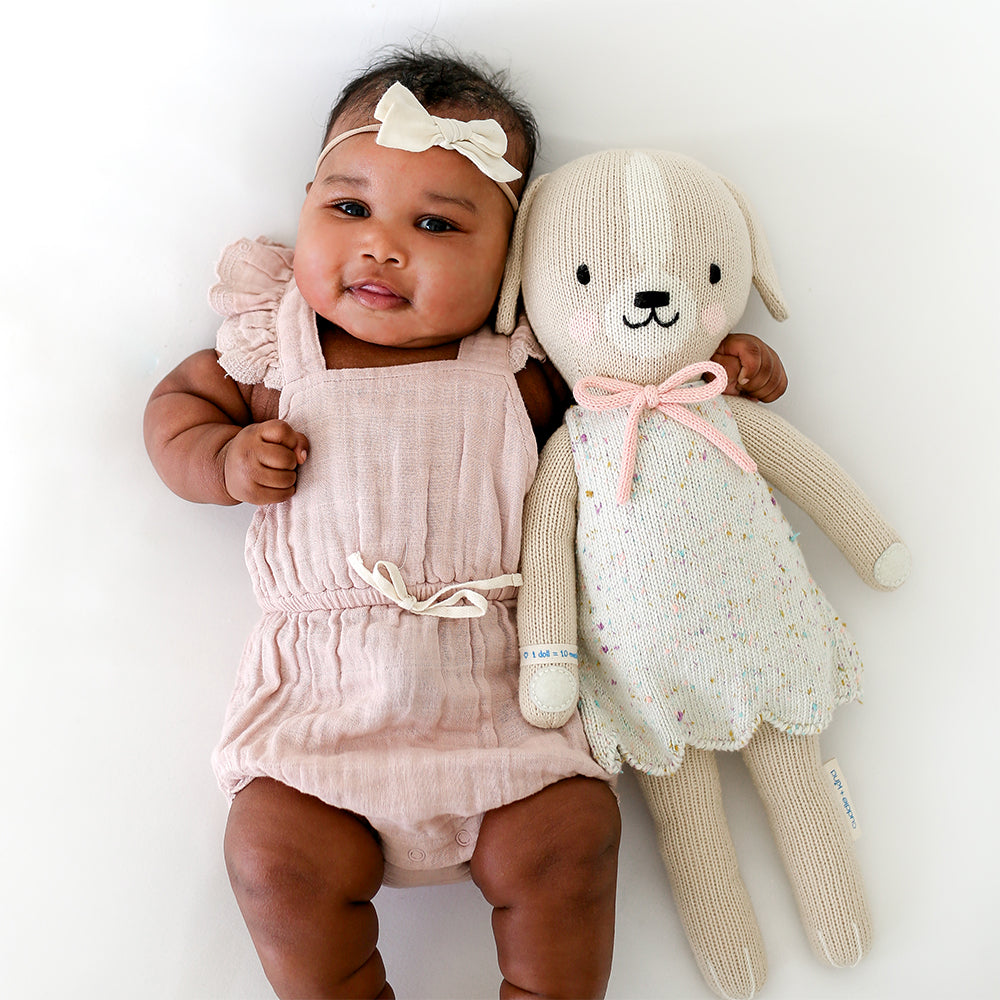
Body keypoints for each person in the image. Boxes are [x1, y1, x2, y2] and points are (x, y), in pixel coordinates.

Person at [143, 46, 788, 1000]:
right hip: (321, 704)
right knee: (273, 855)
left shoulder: (523, 365)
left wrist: (719, 361)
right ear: (308, 201)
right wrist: (222, 460)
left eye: (437, 222)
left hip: (501, 689)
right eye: (350, 208)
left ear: (511, 261)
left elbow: (635, 391)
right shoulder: (270, 352)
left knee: (573, 836)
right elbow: (176, 409)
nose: (380, 247)